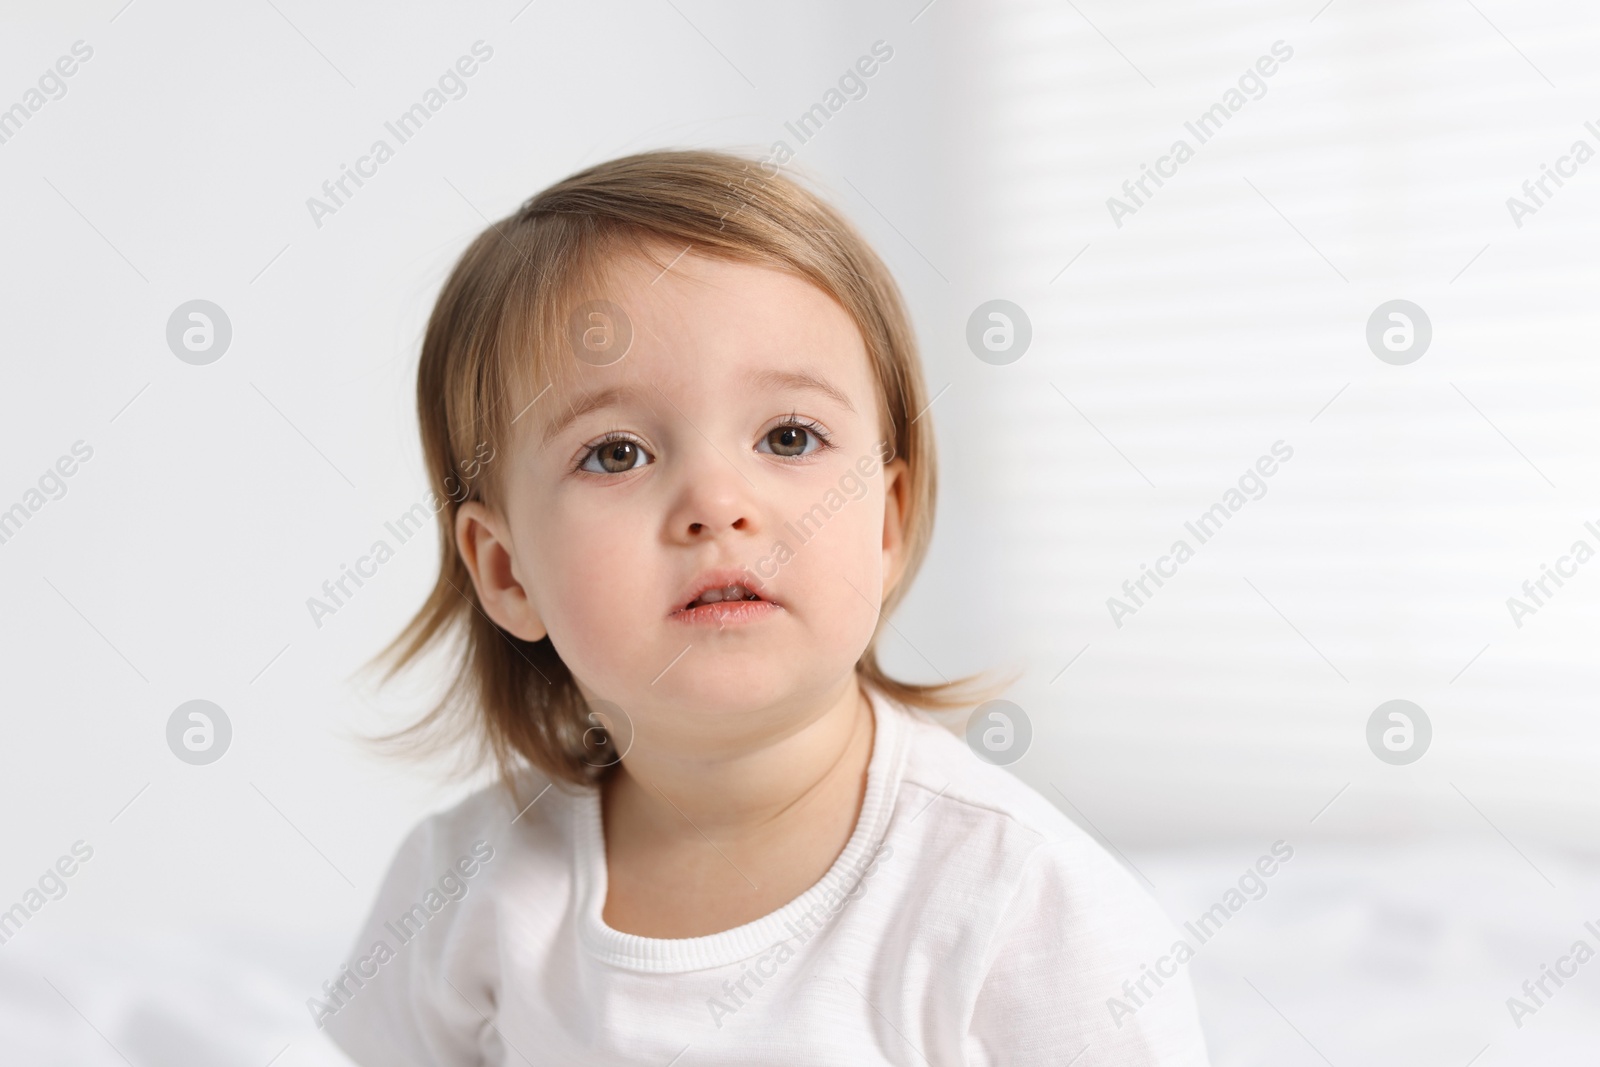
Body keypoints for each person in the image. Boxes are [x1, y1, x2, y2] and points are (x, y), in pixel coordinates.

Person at [318, 148, 1211, 1065]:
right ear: (507, 572)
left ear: (886, 524)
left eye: (789, 436)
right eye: (616, 453)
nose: (717, 501)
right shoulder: (467, 890)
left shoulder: (1021, 903)